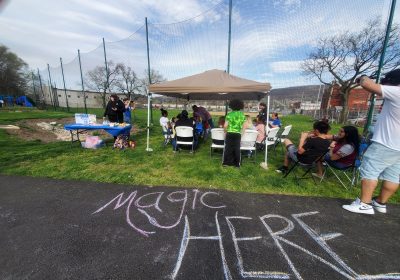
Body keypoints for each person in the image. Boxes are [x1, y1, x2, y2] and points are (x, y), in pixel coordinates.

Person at [342, 69, 400, 215]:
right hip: (398, 148)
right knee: (392, 175)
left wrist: (363, 77)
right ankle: (381, 202)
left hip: (385, 143)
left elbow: (367, 84)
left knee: (370, 170)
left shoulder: (397, 91)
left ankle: (364, 203)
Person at [223, 99, 246, 167]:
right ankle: (237, 164)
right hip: (237, 134)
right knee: (237, 148)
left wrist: (225, 131)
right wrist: (241, 134)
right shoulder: (242, 115)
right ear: (240, 106)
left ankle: (226, 163)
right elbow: (245, 126)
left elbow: (225, 126)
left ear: (231, 106)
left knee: (228, 148)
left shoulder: (229, 115)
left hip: (229, 133)